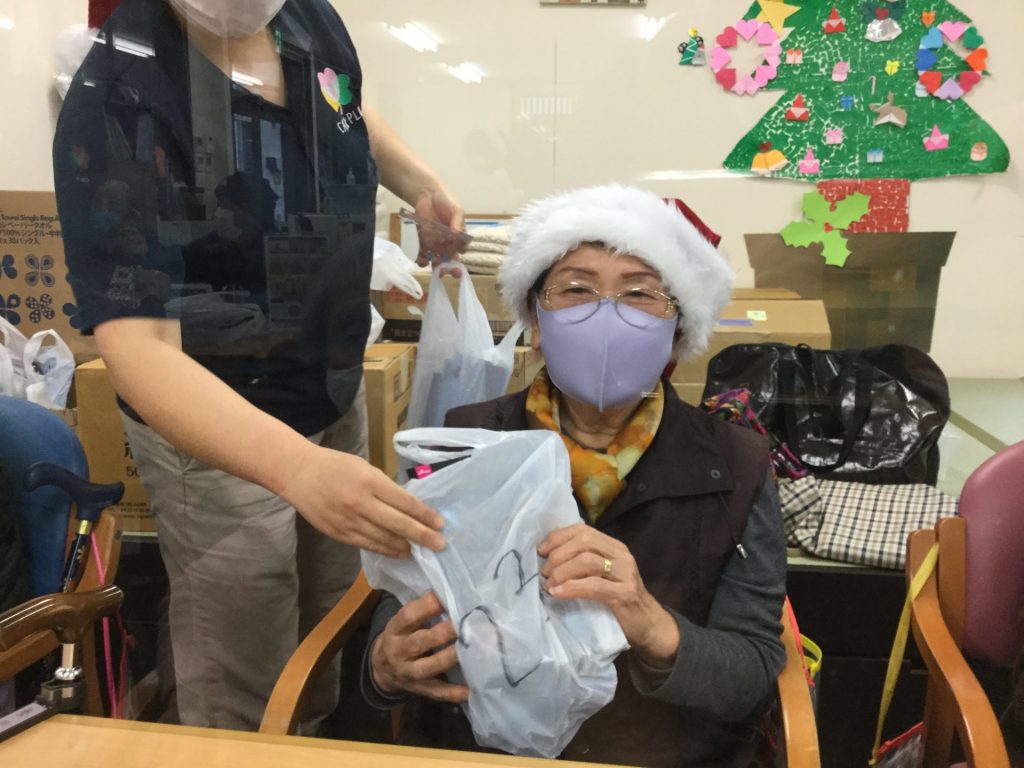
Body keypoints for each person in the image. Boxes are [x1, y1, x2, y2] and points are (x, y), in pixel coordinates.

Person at [53, 0, 463, 732]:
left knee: (328, 626)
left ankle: (308, 738)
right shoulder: (120, 97)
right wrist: (296, 469)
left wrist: (420, 186)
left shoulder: (305, 19)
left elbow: (345, 110)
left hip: (326, 388)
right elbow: (139, 351)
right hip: (219, 425)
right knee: (242, 666)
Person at [362, 185, 788, 767]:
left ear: (676, 330)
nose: (606, 314)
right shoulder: (466, 438)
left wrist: (649, 621)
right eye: (576, 289)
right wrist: (385, 664)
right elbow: (405, 591)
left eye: (639, 293)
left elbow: (752, 674)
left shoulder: (735, 466)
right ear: (536, 320)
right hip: (482, 751)